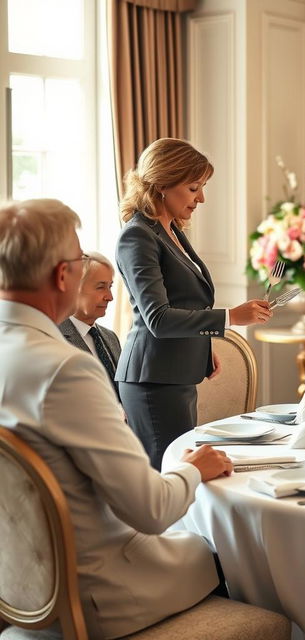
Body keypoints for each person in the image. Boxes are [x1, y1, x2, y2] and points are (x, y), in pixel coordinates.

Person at [0, 198, 233, 638]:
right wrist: (192, 469)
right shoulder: (65, 368)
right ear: (62, 275)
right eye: (80, 257)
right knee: (239, 553)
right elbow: (152, 509)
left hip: (19, 590)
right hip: (97, 593)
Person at [116, 138, 273, 469]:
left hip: (173, 376)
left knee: (184, 476)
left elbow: (182, 304)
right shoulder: (138, 236)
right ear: (161, 185)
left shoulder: (170, 230)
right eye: (193, 188)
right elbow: (157, 318)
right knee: (172, 477)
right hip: (152, 381)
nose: (201, 198)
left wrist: (200, 347)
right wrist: (231, 316)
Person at [58, 251, 121, 397]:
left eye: (110, 287)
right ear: (73, 288)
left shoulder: (111, 337)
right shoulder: (54, 337)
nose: (109, 297)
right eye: (100, 287)